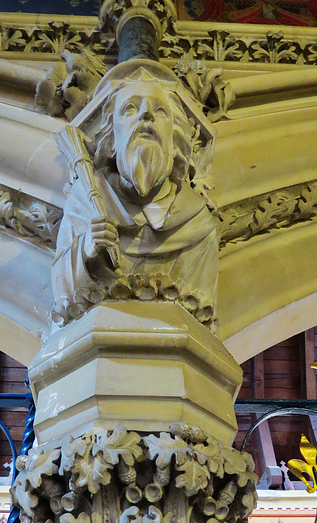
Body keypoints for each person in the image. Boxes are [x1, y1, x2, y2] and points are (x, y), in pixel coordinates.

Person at [51, 70, 219, 333]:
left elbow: (201, 321)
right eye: (130, 109)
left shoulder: (198, 224)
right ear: (112, 140)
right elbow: (62, 301)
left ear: (175, 143)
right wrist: (86, 249)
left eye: (160, 111)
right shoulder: (86, 203)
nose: (146, 116)